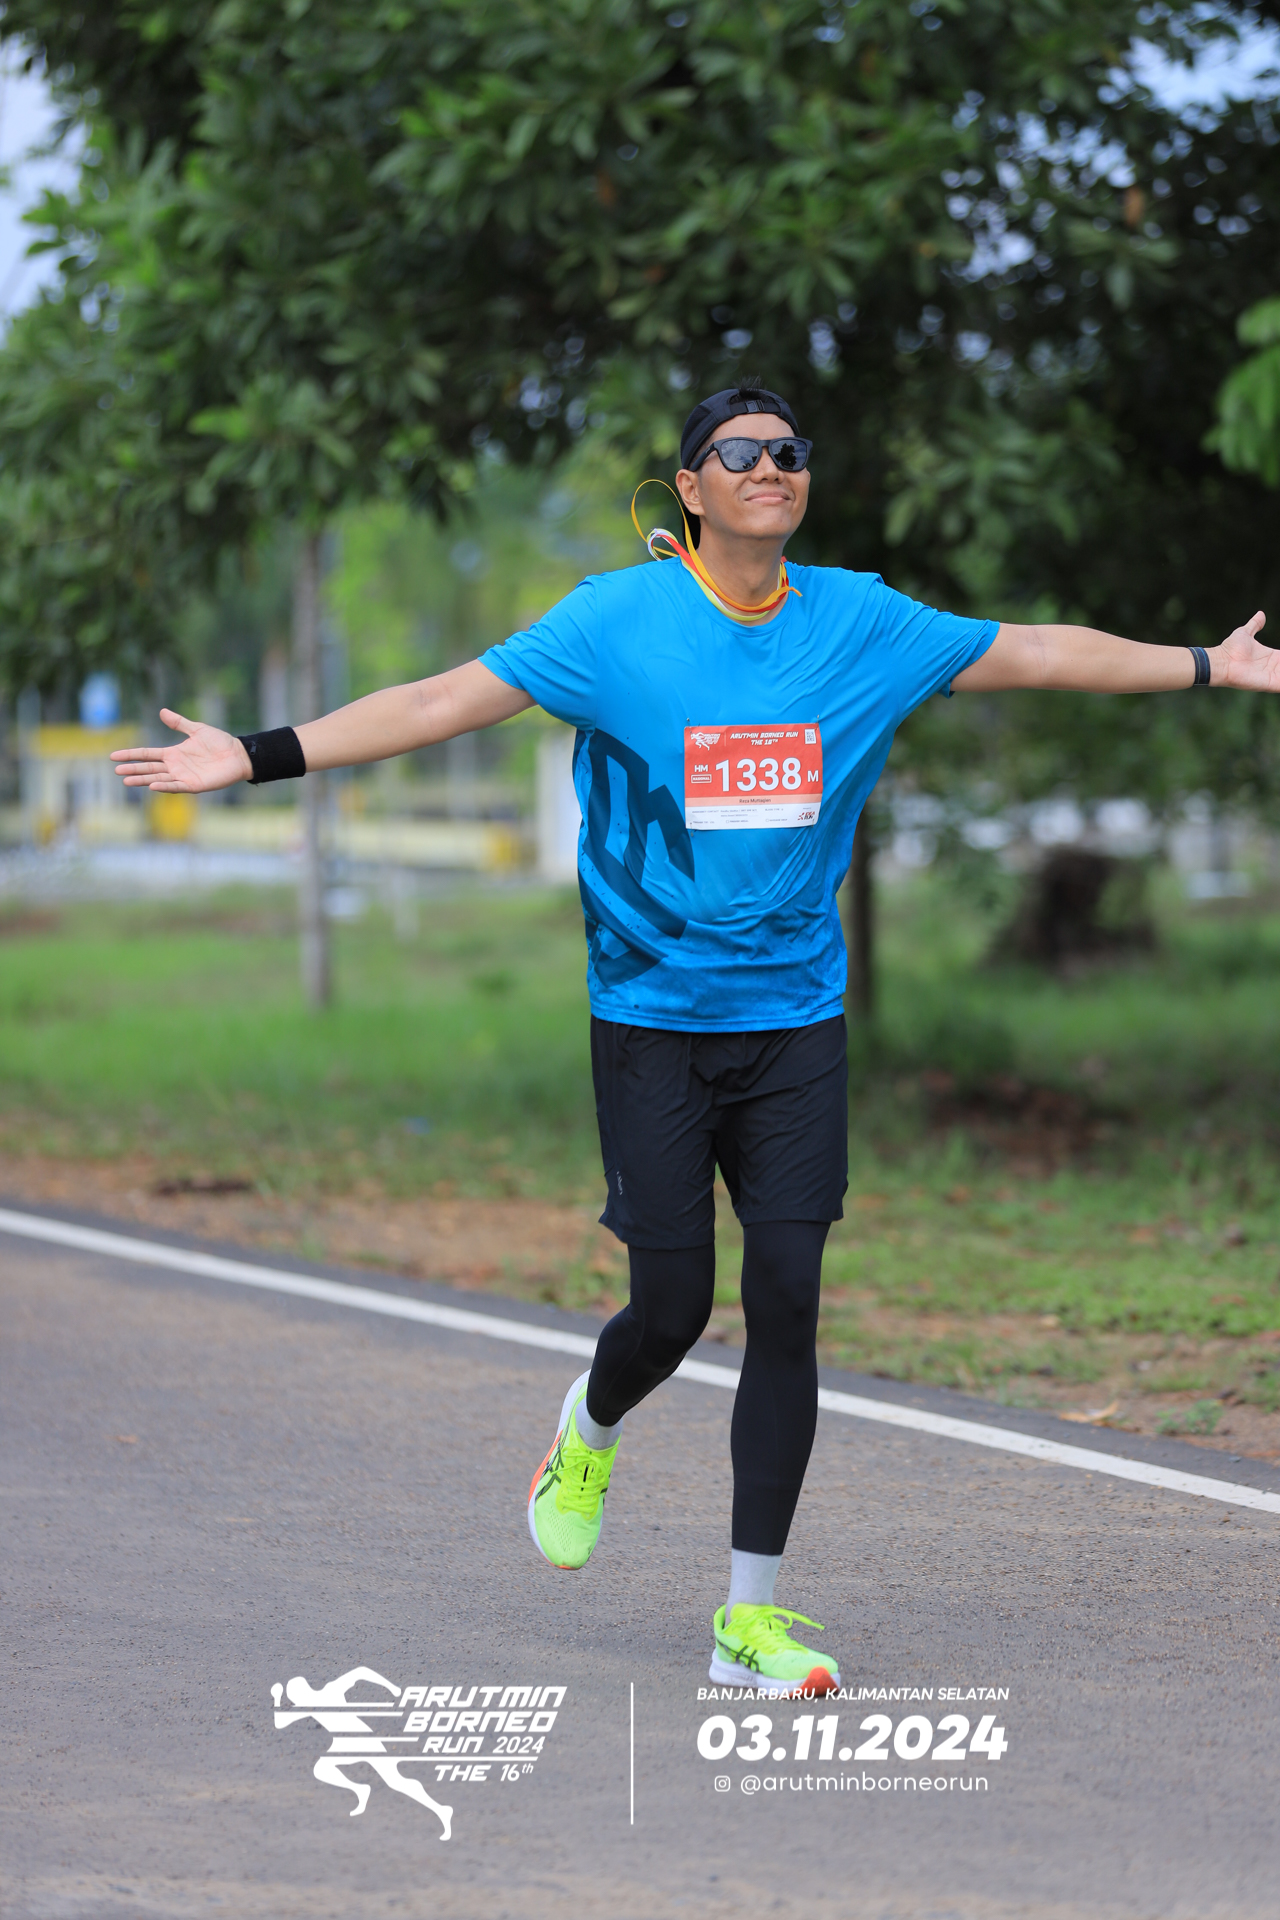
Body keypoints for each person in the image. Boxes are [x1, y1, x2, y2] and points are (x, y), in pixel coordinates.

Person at [113, 380, 1274, 1699]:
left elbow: (1042, 651)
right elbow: (437, 703)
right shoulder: (614, 623)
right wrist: (255, 756)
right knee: (671, 1308)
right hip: (652, 1024)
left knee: (788, 1299)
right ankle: (590, 1424)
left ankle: (748, 1619)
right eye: (741, 452)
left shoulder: (862, 622)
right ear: (690, 488)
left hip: (796, 1024)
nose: (771, 466)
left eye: (789, 450)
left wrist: (1208, 664)